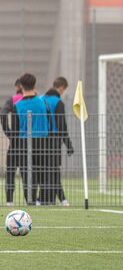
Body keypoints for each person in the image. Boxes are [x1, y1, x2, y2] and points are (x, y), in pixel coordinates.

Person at [9, 73, 51, 205]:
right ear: (35, 84)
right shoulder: (43, 102)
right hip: (43, 141)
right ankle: (43, 200)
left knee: (27, 174)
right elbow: (49, 121)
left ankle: (30, 200)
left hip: (23, 143)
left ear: (21, 86)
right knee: (43, 172)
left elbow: (15, 129)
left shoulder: (17, 105)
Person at [42, 77, 74, 206]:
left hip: (38, 140)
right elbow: (62, 126)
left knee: (43, 170)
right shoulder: (58, 102)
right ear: (61, 87)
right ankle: (59, 199)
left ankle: (52, 199)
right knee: (54, 170)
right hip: (53, 141)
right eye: (64, 90)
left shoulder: (40, 99)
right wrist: (68, 144)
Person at [1, 78, 24, 206]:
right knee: (29, 171)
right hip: (30, 141)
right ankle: (31, 200)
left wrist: (9, 133)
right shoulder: (36, 99)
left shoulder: (13, 99)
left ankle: (9, 201)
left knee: (10, 171)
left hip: (15, 142)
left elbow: (3, 113)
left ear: (17, 86)